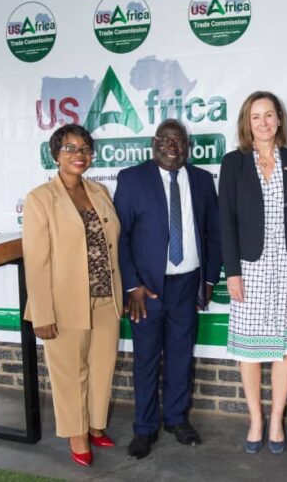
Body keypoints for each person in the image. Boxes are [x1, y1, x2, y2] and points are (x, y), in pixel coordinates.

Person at [114, 119, 222, 460]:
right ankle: (144, 428)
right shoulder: (132, 179)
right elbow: (121, 237)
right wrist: (133, 285)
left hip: (187, 285)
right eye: (165, 140)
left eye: (179, 141)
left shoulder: (202, 180)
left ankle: (177, 419)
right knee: (146, 359)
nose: (172, 147)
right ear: (154, 143)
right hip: (146, 291)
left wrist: (208, 280)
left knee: (180, 356)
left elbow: (215, 233)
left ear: (187, 146)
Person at [218, 91, 287, 454]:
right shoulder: (233, 163)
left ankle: (276, 420)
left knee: (285, 349)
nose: (263, 122)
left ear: (279, 119)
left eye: (269, 115)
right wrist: (232, 272)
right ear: (247, 122)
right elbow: (226, 221)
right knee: (250, 350)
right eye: (256, 116)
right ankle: (255, 420)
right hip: (250, 267)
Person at [22, 124, 123, 466]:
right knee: (70, 373)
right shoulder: (40, 198)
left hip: (106, 298)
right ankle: (77, 435)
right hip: (64, 304)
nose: (78, 155)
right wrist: (42, 313)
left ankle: (95, 425)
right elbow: (37, 262)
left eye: (85, 149)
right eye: (70, 148)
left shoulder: (99, 191)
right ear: (55, 155)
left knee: (102, 368)